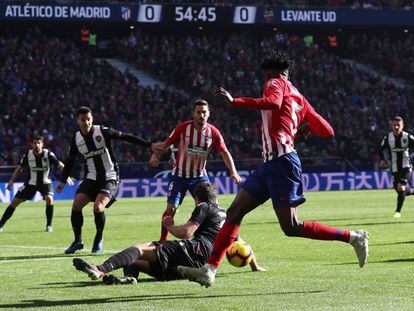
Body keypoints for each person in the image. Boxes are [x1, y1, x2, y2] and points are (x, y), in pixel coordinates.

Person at [177, 50, 369, 288]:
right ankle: (209, 269)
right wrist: (305, 124)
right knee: (235, 211)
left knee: (291, 227)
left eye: (267, 77)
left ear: (275, 73)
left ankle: (353, 237)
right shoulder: (301, 98)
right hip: (271, 165)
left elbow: (273, 102)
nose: (266, 83)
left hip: (282, 164)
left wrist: (236, 101)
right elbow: (328, 131)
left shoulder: (275, 82)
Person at [71, 181, 265, 284]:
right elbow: (242, 243)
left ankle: (101, 269)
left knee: (139, 248)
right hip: (195, 267)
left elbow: (187, 233)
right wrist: (254, 266)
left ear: (197, 198)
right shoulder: (227, 215)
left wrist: (170, 225)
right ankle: (128, 279)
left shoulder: (204, 206)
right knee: (134, 261)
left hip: (193, 251)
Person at [56, 106, 161, 254]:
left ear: (92, 119)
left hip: (110, 176)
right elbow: (70, 160)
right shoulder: (76, 138)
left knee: (98, 207)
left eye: (88, 119)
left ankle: (98, 238)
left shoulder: (103, 131)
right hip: (91, 176)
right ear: (77, 121)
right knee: (76, 205)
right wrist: (62, 181)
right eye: (83, 120)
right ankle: (78, 241)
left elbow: (126, 137)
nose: (86, 123)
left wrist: (150, 145)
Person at [150, 99, 242, 241]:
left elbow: (224, 152)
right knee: (171, 209)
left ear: (209, 114)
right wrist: (155, 155)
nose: (201, 115)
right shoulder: (182, 128)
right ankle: (162, 240)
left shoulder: (214, 133)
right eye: (198, 112)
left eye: (204, 112)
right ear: (193, 113)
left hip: (200, 177)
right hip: (179, 175)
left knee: (211, 208)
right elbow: (166, 144)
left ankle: (217, 238)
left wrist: (233, 171)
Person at [0, 133, 72, 232]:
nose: (37, 145)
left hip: (45, 183)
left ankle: (49, 225)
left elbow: (60, 165)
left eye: (39, 143)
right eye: (35, 143)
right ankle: (1, 225)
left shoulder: (49, 154)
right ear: (31, 144)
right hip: (31, 183)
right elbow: (19, 169)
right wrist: (11, 181)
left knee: (49, 199)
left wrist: (66, 176)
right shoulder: (27, 156)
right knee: (14, 202)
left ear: (42, 144)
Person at [379, 116, 414, 218]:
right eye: (394, 125)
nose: (396, 127)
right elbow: (381, 149)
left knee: (401, 186)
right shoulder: (388, 137)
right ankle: (412, 191)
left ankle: (397, 211)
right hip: (394, 168)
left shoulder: (408, 137)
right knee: (402, 191)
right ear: (391, 125)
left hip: (406, 166)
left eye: (398, 125)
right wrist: (382, 160)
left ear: (402, 126)